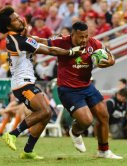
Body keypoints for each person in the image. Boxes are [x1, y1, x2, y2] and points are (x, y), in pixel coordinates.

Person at [0, 6, 82, 160]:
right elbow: (51, 51)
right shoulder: (20, 41)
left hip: (25, 83)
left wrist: (25, 29)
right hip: (23, 85)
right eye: (15, 19)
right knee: (44, 111)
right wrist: (71, 52)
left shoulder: (15, 38)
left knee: (46, 114)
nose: (19, 19)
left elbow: (27, 36)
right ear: (8, 26)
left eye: (18, 16)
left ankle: (28, 151)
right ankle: (12, 134)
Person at [33, 21, 122, 159]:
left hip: (87, 86)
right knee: (86, 121)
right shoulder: (62, 42)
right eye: (81, 37)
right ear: (72, 35)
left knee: (103, 115)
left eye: (86, 36)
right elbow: (42, 41)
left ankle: (103, 151)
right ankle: (75, 131)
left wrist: (111, 61)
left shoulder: (94, 44)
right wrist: (23, 38)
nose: (84, 40)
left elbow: (109, 54)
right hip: (68, 89)